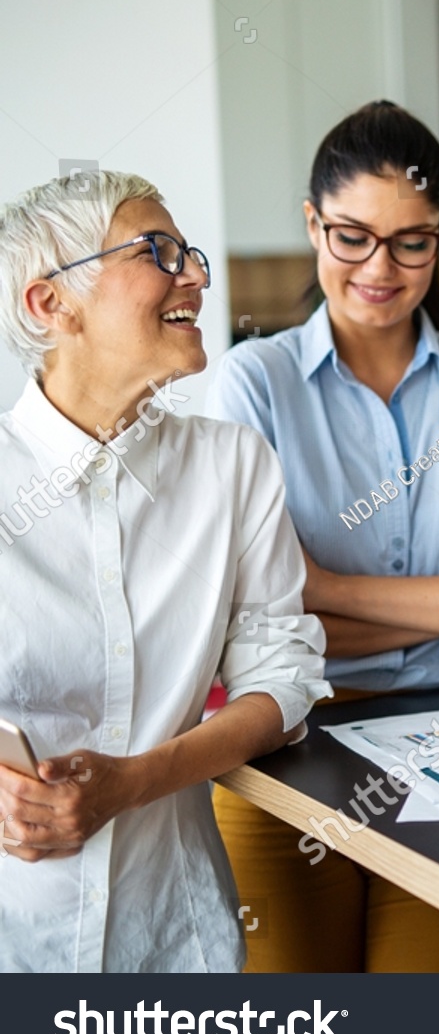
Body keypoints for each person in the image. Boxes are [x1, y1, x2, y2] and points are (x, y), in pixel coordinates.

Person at [207, 101, 439, 972]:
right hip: (288, 744)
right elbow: (249, 624)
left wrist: (324, 589)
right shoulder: (254, 384)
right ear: (313, 224)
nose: (381, 267)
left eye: (411, 241)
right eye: (352, 236)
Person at [0, 171, 331, 971]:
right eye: (159, 252)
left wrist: (136, 780)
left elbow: (284, 682)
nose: (196, 276)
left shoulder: (232, 467)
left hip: (178, 945)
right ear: (51, 304)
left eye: (190, 254)